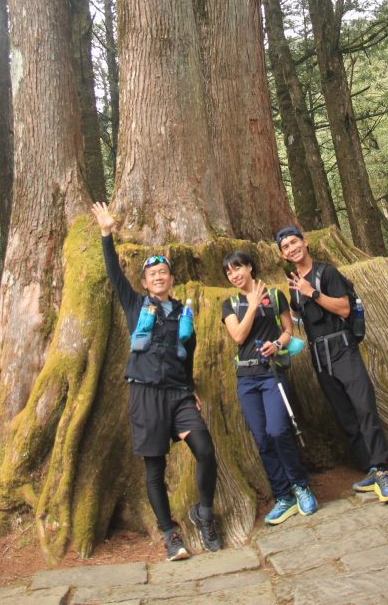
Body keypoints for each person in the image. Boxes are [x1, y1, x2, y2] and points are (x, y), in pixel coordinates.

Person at [91, 202, 222, 561]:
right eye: (153, 274)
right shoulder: (135, 305)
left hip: (179, 396)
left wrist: (192, 388)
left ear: (171, 278)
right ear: (146, 283)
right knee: (154, 468)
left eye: (164, 272)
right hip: (145, 394)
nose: (159, 277)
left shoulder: (183, 313)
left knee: (206, 451)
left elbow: (188, 352)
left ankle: (204, 514)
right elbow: (114, 273)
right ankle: (170, 534)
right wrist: (106, 233)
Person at [276, 225, 388, 504]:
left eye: (294, 242)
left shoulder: (326, 273)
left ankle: (383, 471)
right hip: (319, 355)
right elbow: (298, 318)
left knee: (363, 406)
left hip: (342, 347)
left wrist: (313, 293)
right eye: (285, 247)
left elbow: (344, 309)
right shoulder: (294, 282)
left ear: (305, 242)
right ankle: (370, 467)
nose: (292, 249)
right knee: (345, 414)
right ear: (283, 255)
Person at [221, 250, 318, 524]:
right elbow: (238, 336)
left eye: (238, 268)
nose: (234, 275)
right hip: (246, 379)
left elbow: (288, 331)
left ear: (250, 267)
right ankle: (283, 496)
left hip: (271, 374)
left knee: (278, 431)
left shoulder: (276, 297)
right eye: (229, 272)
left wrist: (276, 344)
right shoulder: (229, 304)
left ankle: (300, 486)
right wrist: (251, 306)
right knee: (262, 438)